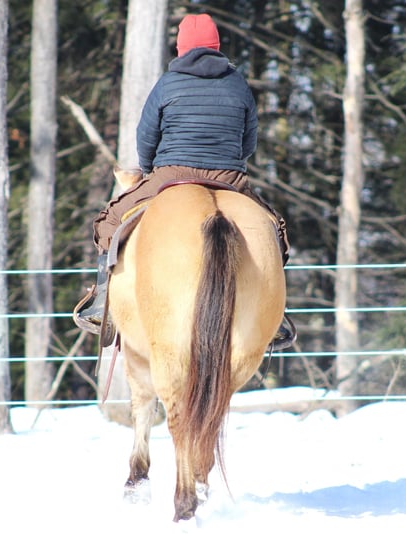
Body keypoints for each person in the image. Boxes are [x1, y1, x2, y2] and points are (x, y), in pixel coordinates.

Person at [75, 13, 294, 349]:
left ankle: (102, 299)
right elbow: (249, 142)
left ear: (181, 48)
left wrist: (150, 169)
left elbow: (146, 137)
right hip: (228, 175)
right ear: (217, 47)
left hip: (172, 171)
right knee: (274, 231)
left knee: (111, 221)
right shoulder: (237, 83)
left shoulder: (169, 82)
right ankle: (273, 312)